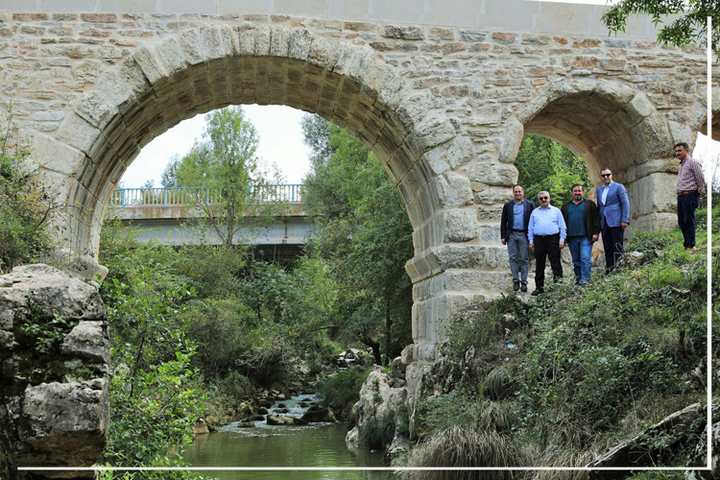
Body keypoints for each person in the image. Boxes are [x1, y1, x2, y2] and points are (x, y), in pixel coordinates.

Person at [528, 191, 566, 295]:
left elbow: (562, 226)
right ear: (538, 200)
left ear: (549, 198)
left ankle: (558, 286)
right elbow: (530, 228)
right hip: (539, 240)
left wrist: (562, 239)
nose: (544, 200)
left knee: (555, 263)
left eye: (545, 198)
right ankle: (539, 288)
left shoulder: (556, 211)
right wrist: (531, 241)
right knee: (539, 264)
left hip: (553, 239)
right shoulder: (535, 212)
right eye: (541, 198)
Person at [561, 184, 600, 285]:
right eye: (575, 191)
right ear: (572, 192)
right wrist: (563, 238)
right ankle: (578, 279)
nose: (577, 192)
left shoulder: (590, 204)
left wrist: (596, 233)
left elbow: (596, 219)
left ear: (583, 192)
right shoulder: (565, 207)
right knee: (576, 261)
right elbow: (562, 223)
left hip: (586, 237)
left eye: (579, 191)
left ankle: (585, 280)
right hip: (571, 238)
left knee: (585, 258)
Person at [500, 185, 534, 292]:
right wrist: (503, 236)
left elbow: (534, 221)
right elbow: (503, 222)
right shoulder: (508, 205)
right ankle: (515, 280)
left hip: (524, 234)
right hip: (512, 235)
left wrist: (533, 237)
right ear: (513, 193)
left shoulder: (530, 205)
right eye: (516, 191)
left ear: (523, 192)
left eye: (519, 191)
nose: (518, 193)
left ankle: (524, 282)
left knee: (524, 259)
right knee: (513, 258)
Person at [596, 168, 630, 273]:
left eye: (608, 174)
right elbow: (600, 207)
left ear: (611, 175)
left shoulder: (619, 187)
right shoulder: (599, 190)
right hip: (604, 222)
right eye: (603, 175)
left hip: (616, 220)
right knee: (607, 246)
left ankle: (619, 268)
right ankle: (609, 269)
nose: (606, 177)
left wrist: (625, 219)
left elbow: (625, 203)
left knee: (617, 245)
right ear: (601, 177)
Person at [674, 142, 706, 250]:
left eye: (679, 150)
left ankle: (691, 245)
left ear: (686, 150)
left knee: (689, 220)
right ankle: (687, 244)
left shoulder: (692, 162)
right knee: (681, 221)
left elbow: (700, 178)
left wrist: (701, 195)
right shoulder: (681, 165)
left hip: (690, 195)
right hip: (681, 196)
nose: (677, 153)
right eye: (676, 151)